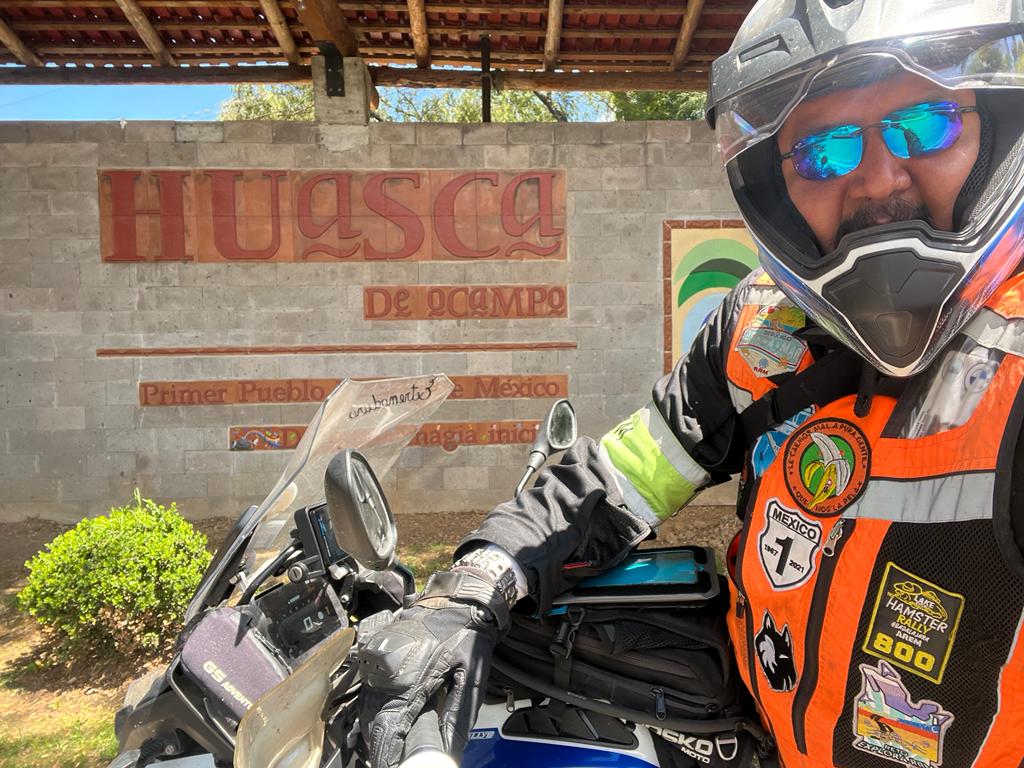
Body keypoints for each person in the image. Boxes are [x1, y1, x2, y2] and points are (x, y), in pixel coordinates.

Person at [358, 1, 1024, 766]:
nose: (877, 175)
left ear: (997, 129)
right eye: (823, 152)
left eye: (926, 125)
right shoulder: (762, 332)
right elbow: (623, 473)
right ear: (773, 185)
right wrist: (475, 583)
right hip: (763, 735)